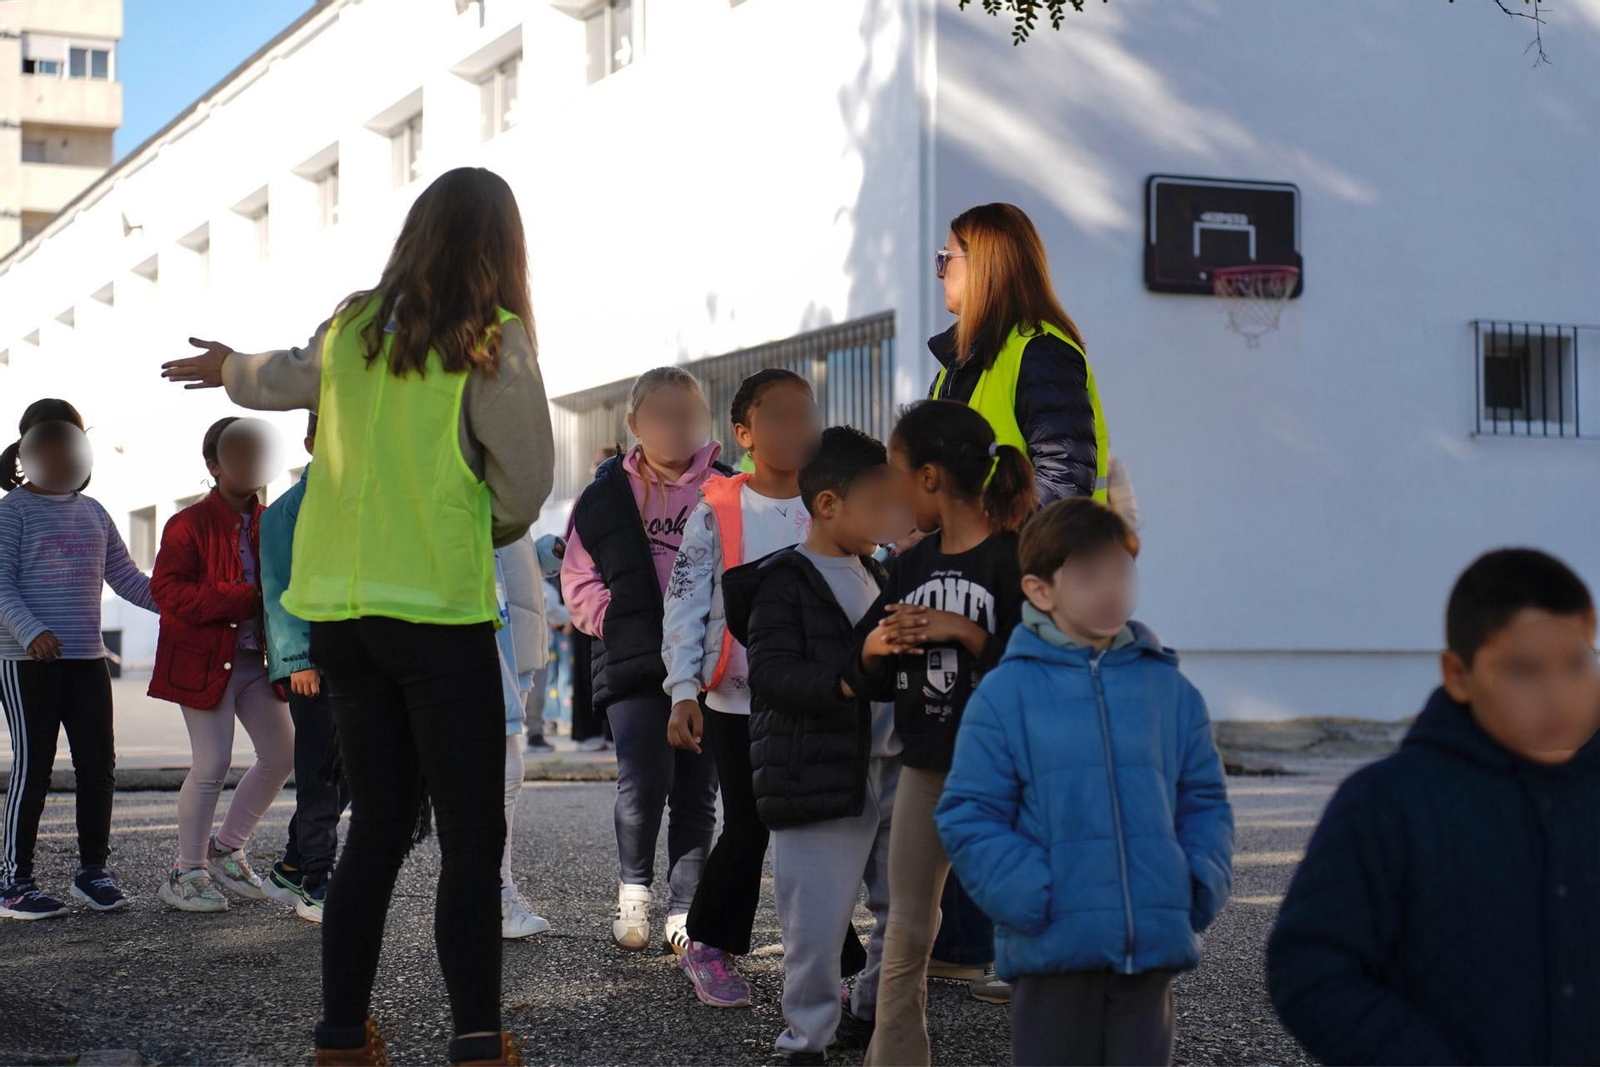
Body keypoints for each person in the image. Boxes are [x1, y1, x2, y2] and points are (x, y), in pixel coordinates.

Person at [160, 166, 553, 1067]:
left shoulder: (352, 330)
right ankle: (479, 1042)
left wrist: (225, 367)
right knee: (469, 832)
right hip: (438, 615)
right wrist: (465, 526)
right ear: (502, 248)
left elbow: (276, 379)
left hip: (341, 616)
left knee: (374, 824)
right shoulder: (494, 339)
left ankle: (341, 1038)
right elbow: (524, 486)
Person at [1267, 548, 1600, 1066]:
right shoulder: (1388, 804)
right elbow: (1310, 966)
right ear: (1457, 675)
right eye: (1524, 670)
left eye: (1578, 663)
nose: (1558, 695)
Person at [935, 498, 1234, 1067]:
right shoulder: (1006, 695)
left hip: (1149, 943)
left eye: (1122, 570)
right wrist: (1032, 897)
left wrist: (1197, 883)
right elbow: (969, 814)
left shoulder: (1168, 689)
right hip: (1052, 947)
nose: (1112, 588)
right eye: (1090, 575)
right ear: (1041, 590)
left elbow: (1204, 800)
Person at [850, 400, 1032, 1067]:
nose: (893, 488)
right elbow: (864, 666)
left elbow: (1038, 665)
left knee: (1035, 925)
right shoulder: (911, 563)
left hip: (1003, 773)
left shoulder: (1015, 559)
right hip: (924, 769)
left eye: (897, 471)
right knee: (906, 928)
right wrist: (875, 644)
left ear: (928, 477)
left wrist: (965, 631)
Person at [723, 427, 904, 1065]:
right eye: (880, 507)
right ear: (828, 506)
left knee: (908, 915)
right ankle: (804, 1043)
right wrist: (857, 671)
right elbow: (773, 678)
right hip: (816, 778)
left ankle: (866, 1011)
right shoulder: (783, 584)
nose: (893, 520)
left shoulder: (880, 571)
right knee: (815, 928)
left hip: (891, 772)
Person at [662, 369, 820, 1008]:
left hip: (816, 698)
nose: (793, 429)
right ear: (744, 432)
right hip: (736, 700)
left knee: (817, 829)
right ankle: (707, 943)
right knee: (749, 824)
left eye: (804, 415)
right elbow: (685, 603)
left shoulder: (831, 502)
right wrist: (681, 690)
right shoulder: (718, 509)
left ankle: (831, 957)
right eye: (776, 417)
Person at [561, 368, 724, 954]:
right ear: (634, 425)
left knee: (697, 789)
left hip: (708, 665)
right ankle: (634, 892)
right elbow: (578, 577)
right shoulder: (603, 495)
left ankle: (686, 909)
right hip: (633, 664)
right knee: (641, 781)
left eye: (689, 414)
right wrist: (616, 624)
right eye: (662, 415)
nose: (676, 426)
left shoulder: (726, 487)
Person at [0, 399, 157, 919]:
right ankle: (13, 882)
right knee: (34, 770)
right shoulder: (11, 511)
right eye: (47, 442)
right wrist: (32, 631)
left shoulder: (93, 513)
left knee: (98, 767)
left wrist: (185, 602)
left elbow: (130, 581)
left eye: (69, 441)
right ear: (24, 452)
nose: (60, 452)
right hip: (27, 661)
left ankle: (94, 872)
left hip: (88, 658)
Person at [150, 417, 295, 915]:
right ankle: (186, 871)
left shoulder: (272, 520)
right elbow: (166, 592)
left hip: (258, 660)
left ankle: (228, 847)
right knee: (210, 765)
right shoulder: (187, 524)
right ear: (214, 465)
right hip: (203, 663)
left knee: (282, 754)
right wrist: (240, 598)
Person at [929, 202, 1109, 509]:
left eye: (945, 258)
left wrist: (986, 544)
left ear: (984, 263)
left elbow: (1063, 483)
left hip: (1028, 556)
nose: (940, 274)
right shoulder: (955, 363)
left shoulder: (1042, 352)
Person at [260, 413, 350, 924]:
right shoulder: (287, 512)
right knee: (320, 772)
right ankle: (317, 879)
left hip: (363, 658)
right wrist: (297, 660)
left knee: (354, 769)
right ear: (311, 440)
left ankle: (293, 864)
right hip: (311, 663)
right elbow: (278, 590)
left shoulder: (368, 500)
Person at [494, 536, 552, 941]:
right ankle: (494, 898)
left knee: (504, 776)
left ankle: (495, 895)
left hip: (515, 642)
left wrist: (548, 553)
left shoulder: (502, 486)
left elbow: (511, 554)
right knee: (505, 775)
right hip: (492, 639)